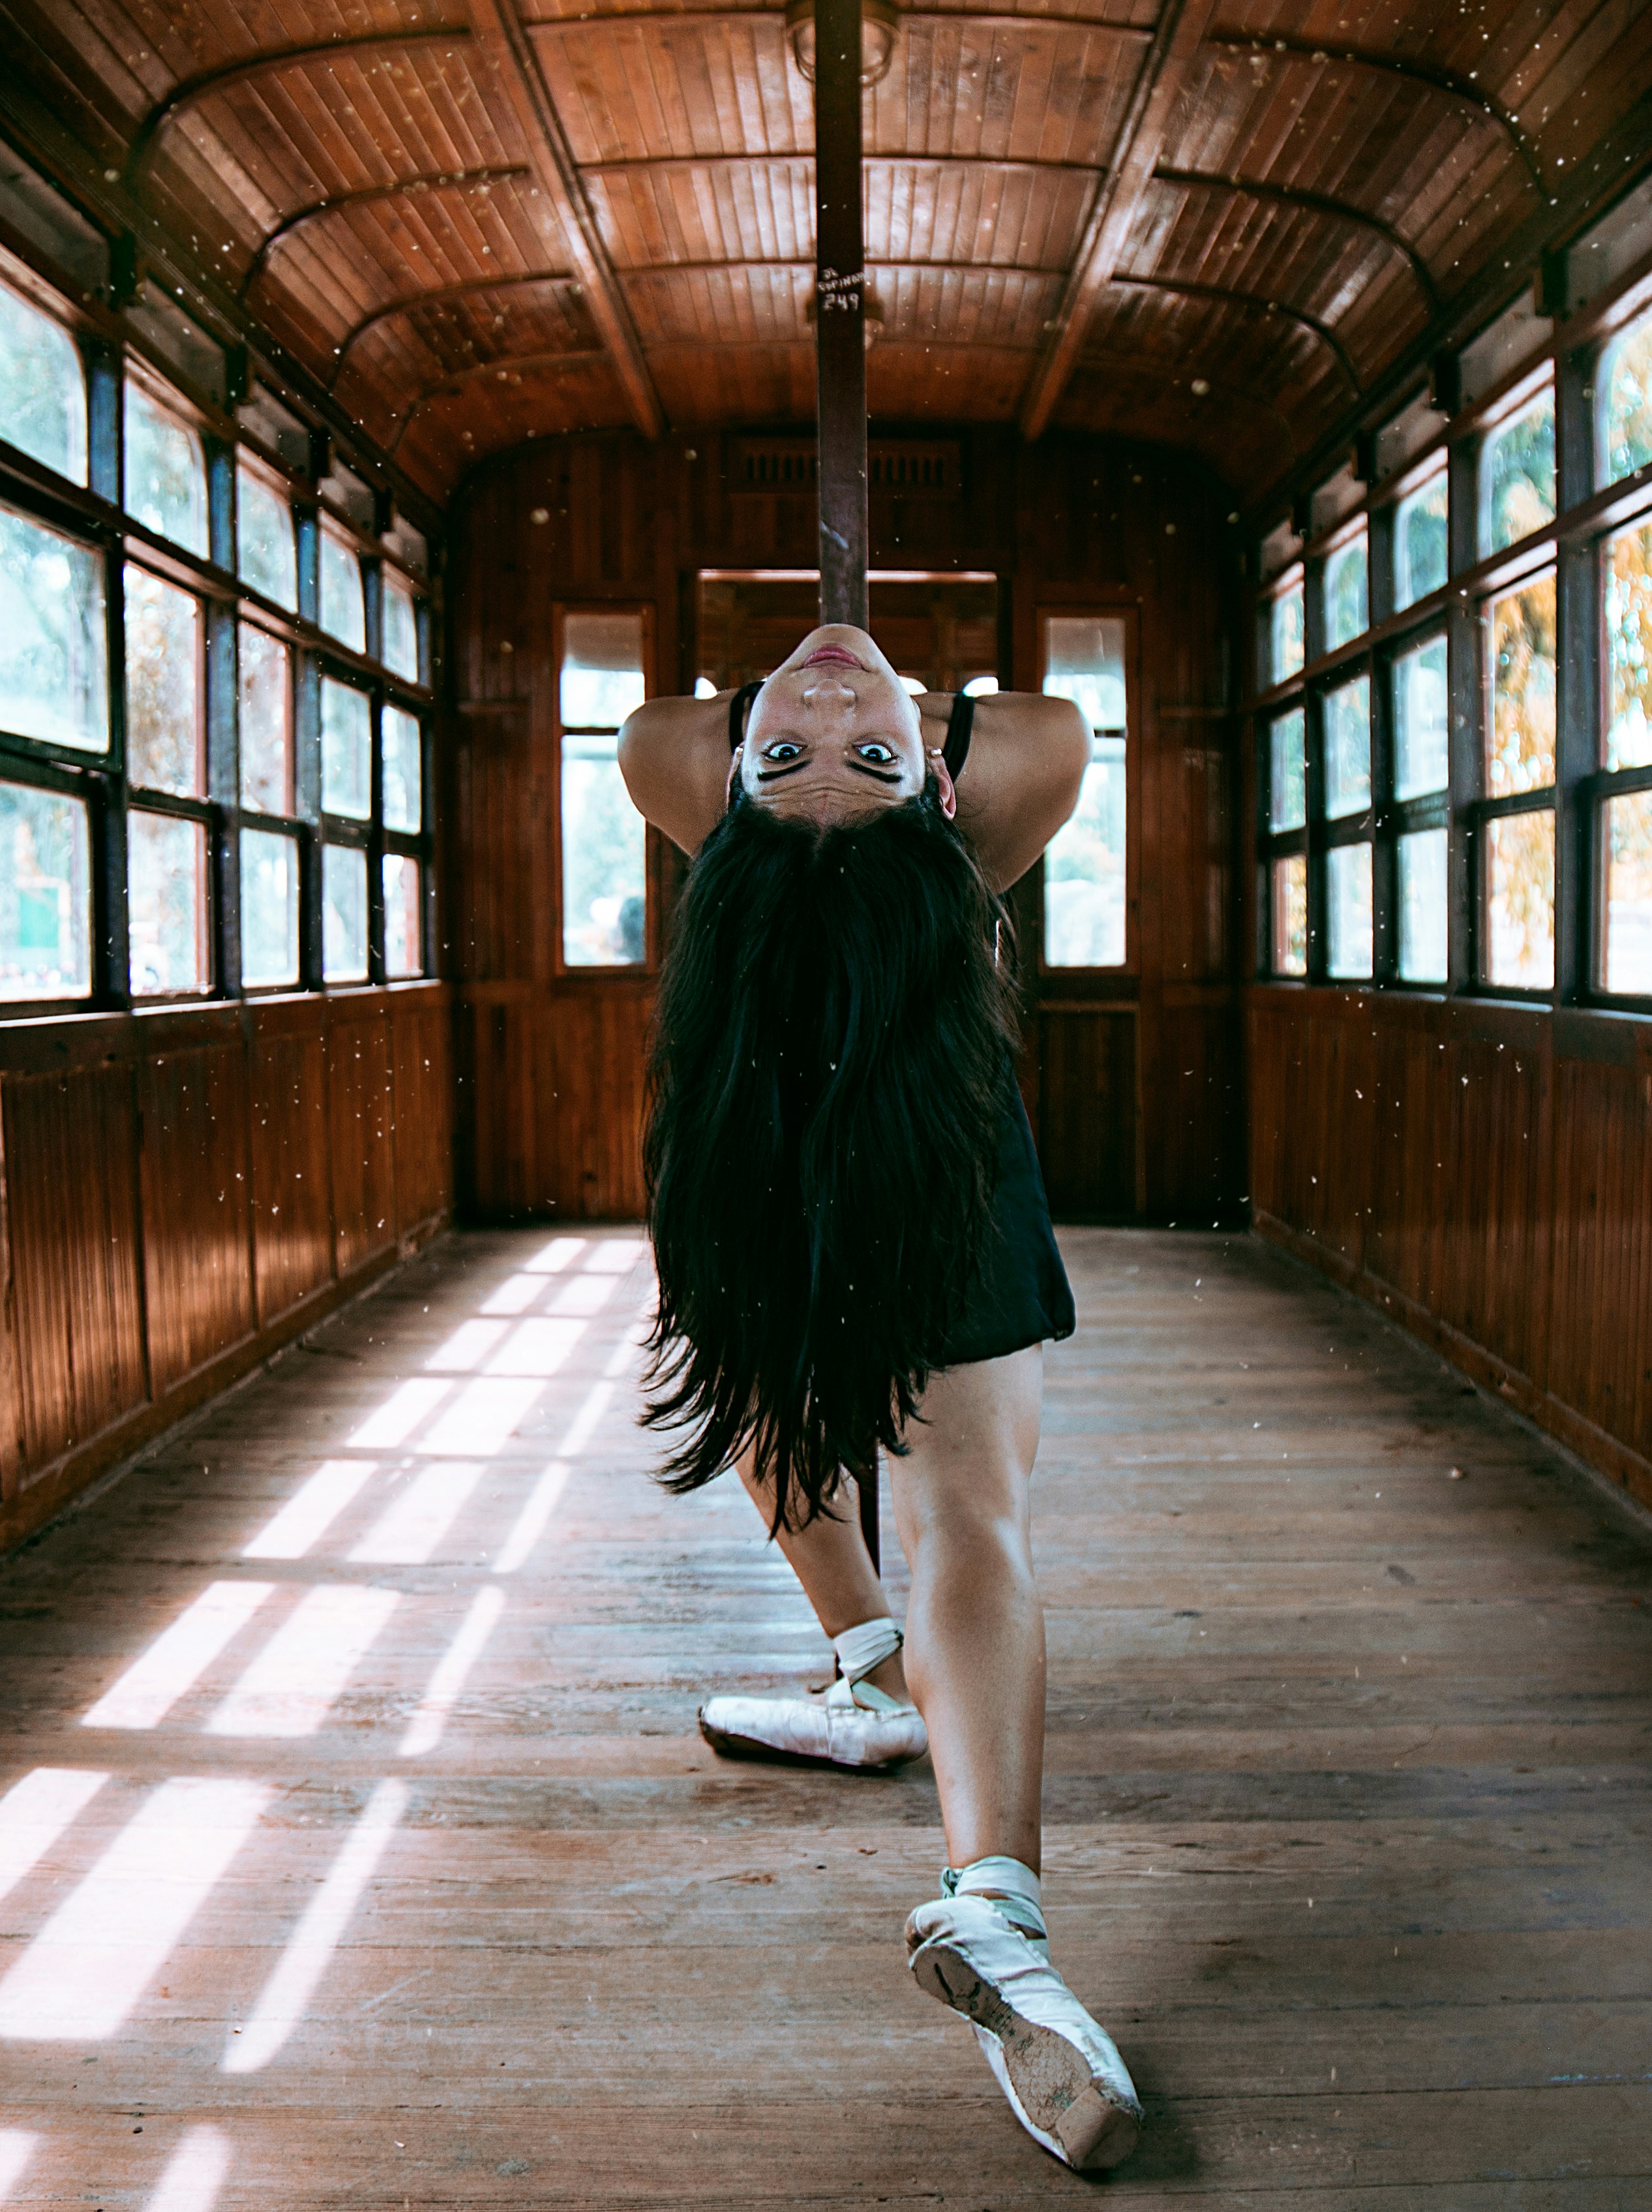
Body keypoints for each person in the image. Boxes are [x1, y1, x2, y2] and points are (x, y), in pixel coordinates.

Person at [615, 624, 1137, 2172]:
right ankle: (904, 1736)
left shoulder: (802, 816)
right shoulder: (965, 839)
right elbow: (1040, 728)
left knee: (952, 1506)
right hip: (761, 1147)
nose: (829, 706)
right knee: (819, 1436)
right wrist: (914, 745)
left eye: (824, 748)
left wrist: (843, 766)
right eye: (794, 749)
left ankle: (980, 1877)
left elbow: (671, 730)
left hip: (922, 1140)